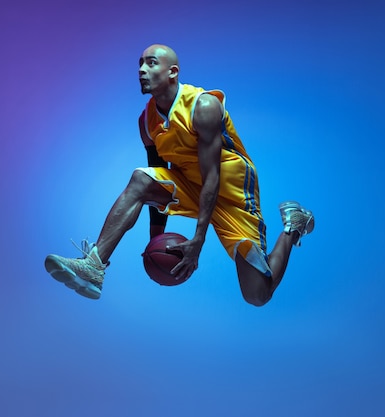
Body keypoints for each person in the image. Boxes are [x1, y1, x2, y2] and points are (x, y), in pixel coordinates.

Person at [45, 44, 315, 306]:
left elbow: (213, 178)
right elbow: (155, 178)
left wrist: (198, 240)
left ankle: (293, 227)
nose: (141, 69)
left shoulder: (204, 106)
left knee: (257, 295)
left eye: (151, 63)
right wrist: (155, 239)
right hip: (190, 184)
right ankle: (94, 265)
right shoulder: (147, 122)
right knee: (140, 177)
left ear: (173, 72)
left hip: (232, 192)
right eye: (140, 63)